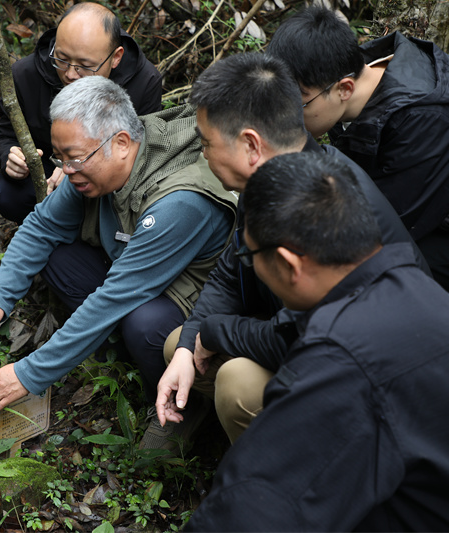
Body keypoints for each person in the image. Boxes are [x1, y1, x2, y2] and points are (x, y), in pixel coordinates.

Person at [183, 151, 449, 531]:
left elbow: (250, 508)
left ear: (289, 264)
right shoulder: (427, 298)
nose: (248, 263)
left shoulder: (341, 358)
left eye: (249, 254)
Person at [154, 52, 429, 445]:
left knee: (238, 385)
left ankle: (284, 478)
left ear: (251, 145)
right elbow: (231, 271)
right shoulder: (268, 179)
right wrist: (191, 342)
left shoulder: (326, 207)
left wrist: (216, 332)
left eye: (207, 143)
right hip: (301, 338)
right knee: (178, 344)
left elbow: (301, 339)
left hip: (372, 382)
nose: (203, 154)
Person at [0, 76, 235, 448]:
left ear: (122, 143)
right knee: (58, 258)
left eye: (73, 158)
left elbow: (115, 296)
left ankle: (183, 407)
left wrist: (29, 374)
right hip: (136, 271)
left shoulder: (180, 202)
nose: (65, 170)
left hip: (198, 305)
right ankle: (119, 353)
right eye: (60, 157)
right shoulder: (95, 164)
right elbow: (42, 226)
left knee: (144, 321)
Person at [266, 6, 449, 303]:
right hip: (441, 217)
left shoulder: (424, 122)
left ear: (344, 89)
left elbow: (383, 227)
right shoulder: (347, 72)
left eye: (298, 105)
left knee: (340, 270)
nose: (287, 116)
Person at [0, 2, 163, 224]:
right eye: (61, 59)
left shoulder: (145, 81)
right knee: (7, 194)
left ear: (116, 57)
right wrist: (9, 156)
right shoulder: (26, 74)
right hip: (47, 171)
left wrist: (78, 167)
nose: (71, 74)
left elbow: (147, 155)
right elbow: (3, 136)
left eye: (85, 65)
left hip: (109, 177)